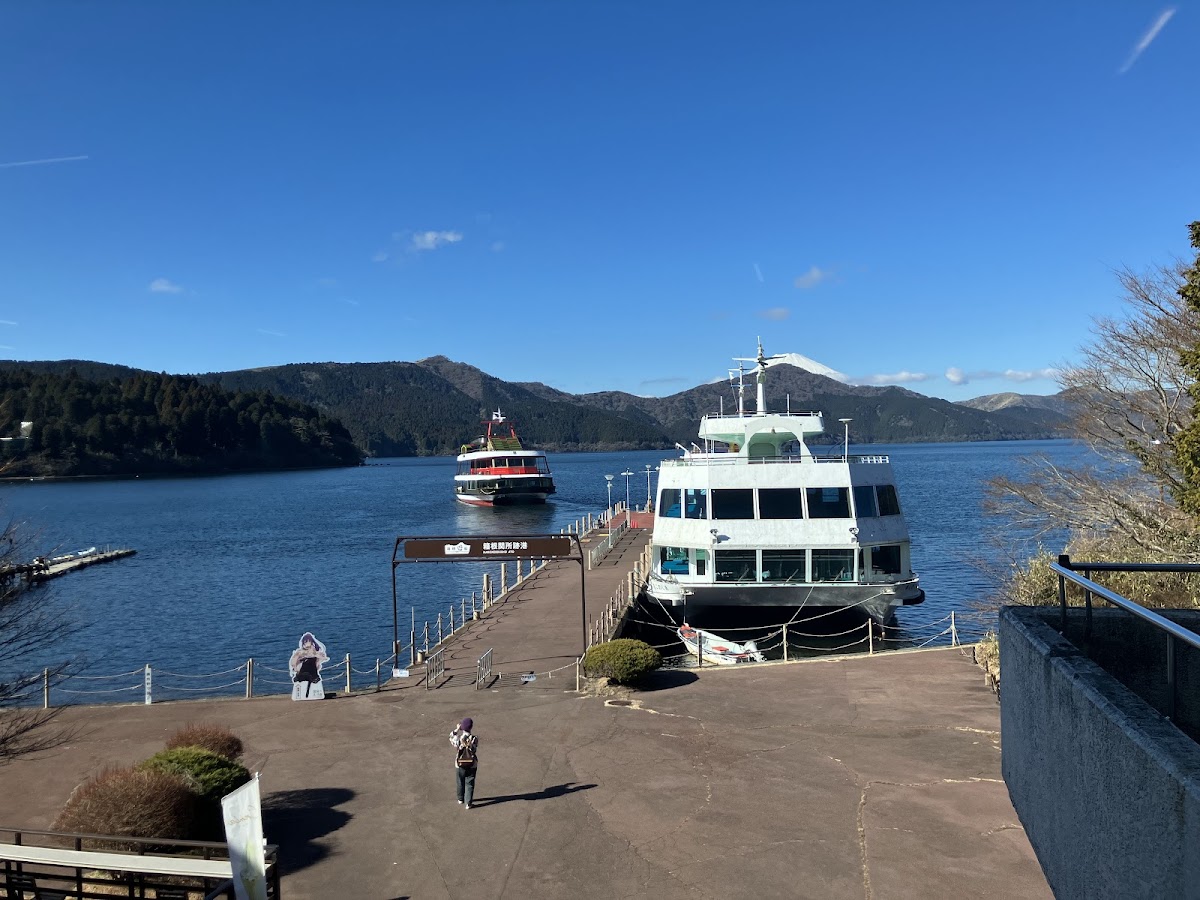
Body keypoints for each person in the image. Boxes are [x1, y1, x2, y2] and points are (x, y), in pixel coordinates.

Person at [449, 717, 479, 809]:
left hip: (460, 763)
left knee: (460, 781)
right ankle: (468, 803)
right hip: (472, 763)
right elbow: (474, 748)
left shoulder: (458, 739)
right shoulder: (474, 738)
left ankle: (460, 798)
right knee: (469, 782)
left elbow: (451, 737)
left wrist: (457, 729)